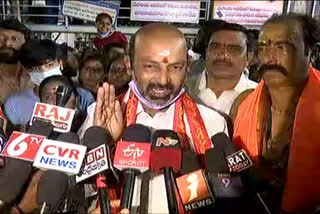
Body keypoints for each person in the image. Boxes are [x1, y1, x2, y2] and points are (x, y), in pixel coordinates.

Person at [79, 23, 228, 213]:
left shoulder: (212, 124)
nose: (163, 80)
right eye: (150, 66)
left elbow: (222, 198)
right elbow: (80, 191)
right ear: (128, 64)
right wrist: (106, 145)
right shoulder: (98, 115)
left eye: (175, 67)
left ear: (188, 65)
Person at [231, 14, 320, 213]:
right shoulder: (242, 104)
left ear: (311, 53)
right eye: (263, 46)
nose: (270, 56)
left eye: (282, 47)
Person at [3, 39, 94, 126]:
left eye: (49, 65)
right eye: (35, 68)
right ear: (27, 71)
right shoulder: (13, 104)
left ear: (60, 63)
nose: (43, 71)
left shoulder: (83, 98)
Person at [189, 22, 257, 116]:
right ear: (206, 52)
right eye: (215, 46)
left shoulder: (260, 96)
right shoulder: (183, 90)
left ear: (248, 58)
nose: (223, 55)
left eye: (233, 49)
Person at [0, 18, 33, 103]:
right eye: (1, 38)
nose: (7, 43)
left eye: (14, 39)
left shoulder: (35, 75)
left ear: (26, 43)